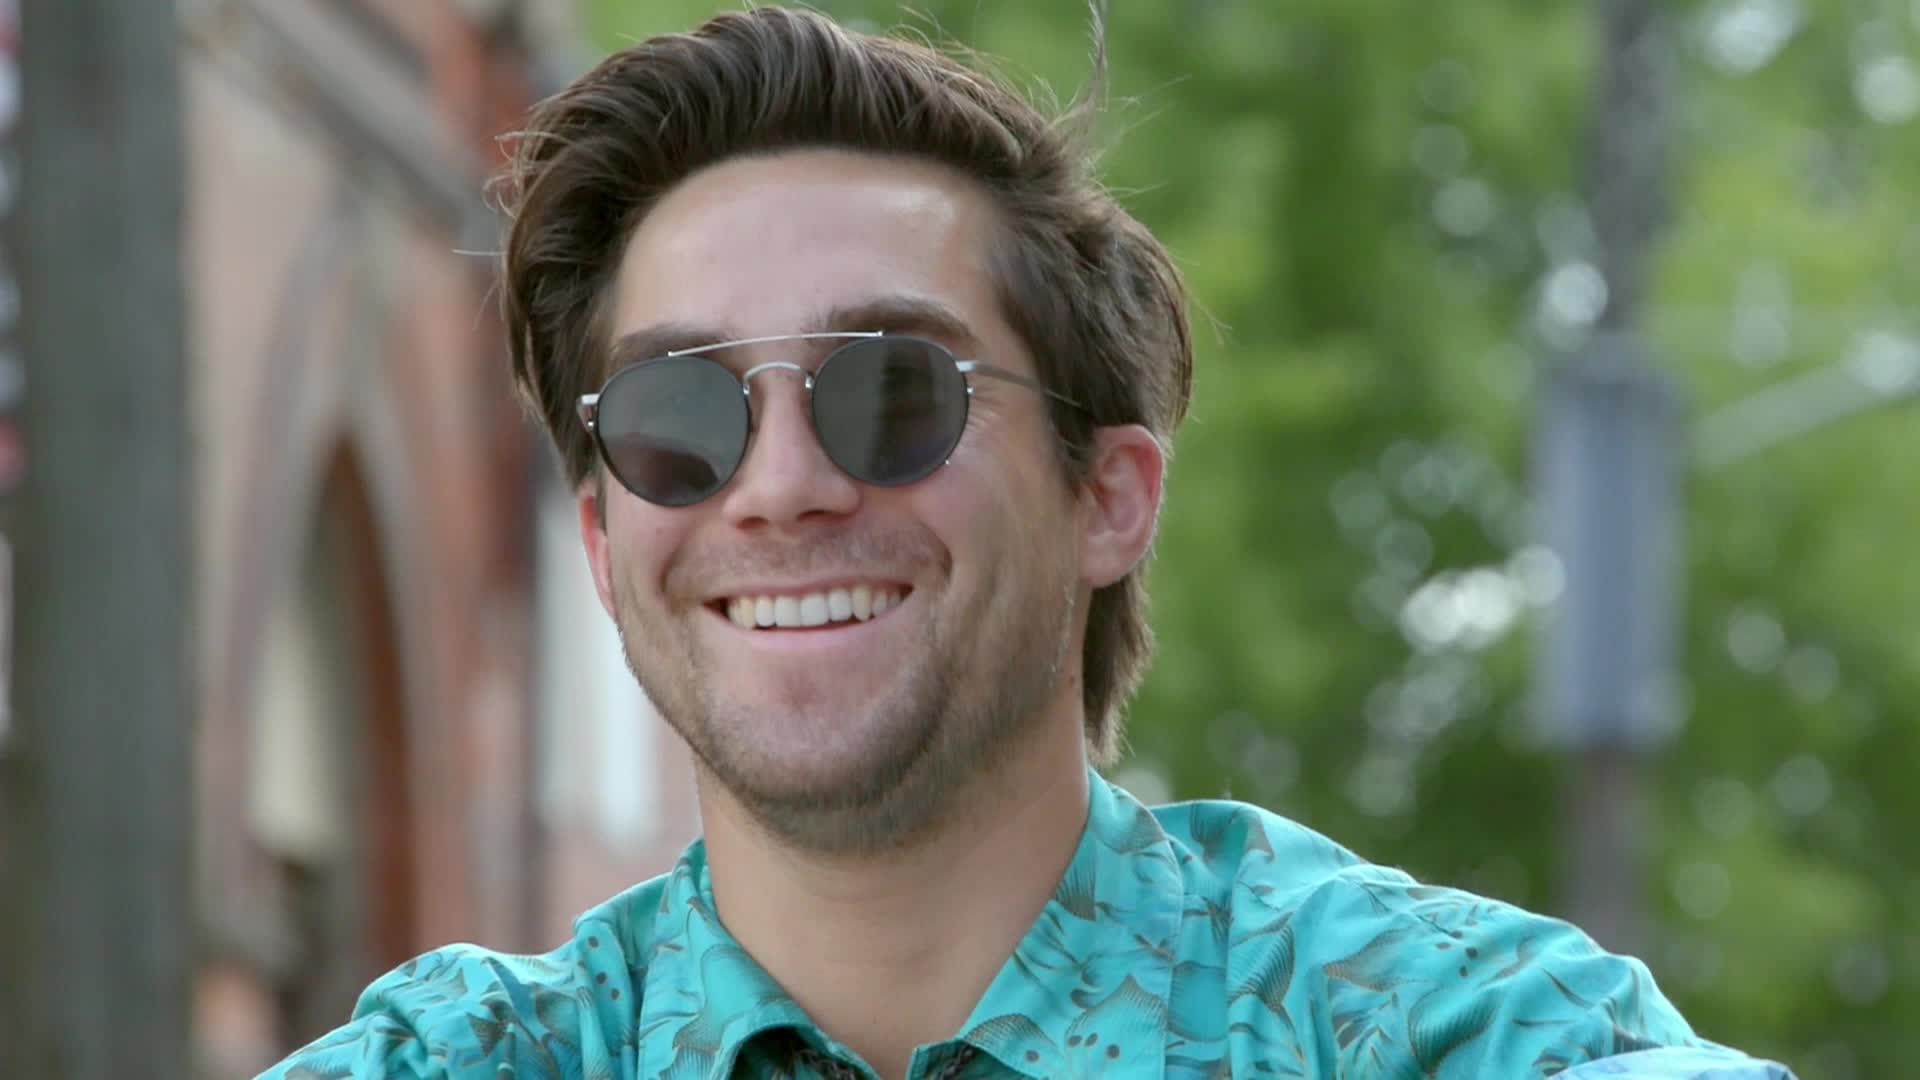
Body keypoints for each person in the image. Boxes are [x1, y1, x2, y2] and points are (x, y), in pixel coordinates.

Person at [265, 7, 1794, 1079]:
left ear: (1109, 496)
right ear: (605, 543)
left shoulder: (1425, 1027)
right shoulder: (470, 1060)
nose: (781, 484)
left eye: (894, 391)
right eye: (680, 415)